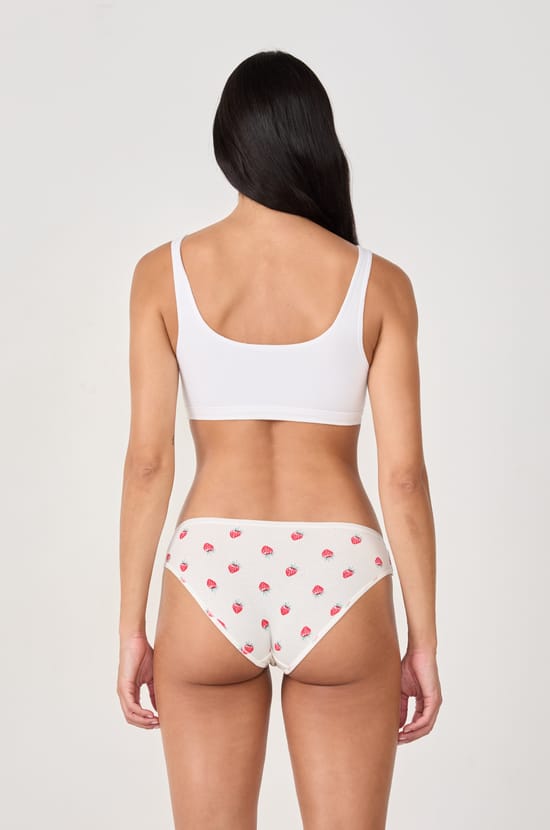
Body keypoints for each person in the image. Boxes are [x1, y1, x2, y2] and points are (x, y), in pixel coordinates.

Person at [117, 49, 442, 829]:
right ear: (314, 141)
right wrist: (423, 641)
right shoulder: (378, 283)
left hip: (208, 573)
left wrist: (131, 627)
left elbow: (149, 463)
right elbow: (402, 478)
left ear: (227, 145)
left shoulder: (163, 274)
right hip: (340, 576)